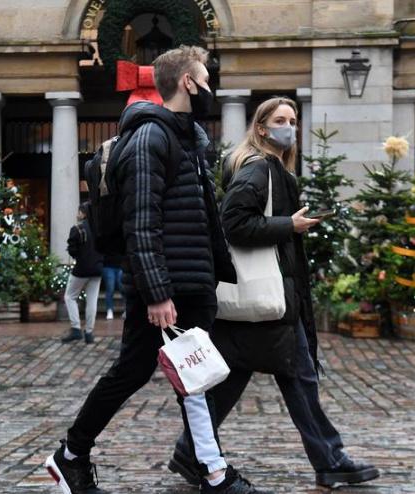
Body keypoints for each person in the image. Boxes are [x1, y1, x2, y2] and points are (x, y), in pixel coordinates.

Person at [45, 45, 270, 494]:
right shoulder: (151, 137)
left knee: (180, 376)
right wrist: (157, 292)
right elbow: (141, 222)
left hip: (190, 281)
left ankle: (76, 456)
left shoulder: (188, 140)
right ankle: (210, 473)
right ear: (188, 82)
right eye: (205, 79)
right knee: (158, 374)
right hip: (170, 287)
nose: (209, 87)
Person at [167, 97, 379, 489]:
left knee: (238, 378)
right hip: (268, 299)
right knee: (299, 376)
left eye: (293, 120)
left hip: (261, 301)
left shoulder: (269, 168)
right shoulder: (260, 168)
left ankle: (189, 450)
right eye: (280, 120)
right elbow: (233, 222)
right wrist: (288, 225)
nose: (290, 127)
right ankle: (330, 459)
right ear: (261, 128)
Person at [63, 203, 103, 344]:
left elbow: (72, 249)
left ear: (83, 213)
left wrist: (78, 256)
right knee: (92, 301)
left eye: (78, 212)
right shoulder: (99, 229)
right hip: (97, 268)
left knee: (70, 296)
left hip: (82, 269)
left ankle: (76, 328)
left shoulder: (77, 229)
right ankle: (89, 332)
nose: (77, 214)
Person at [101, 254, 124, 321]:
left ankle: (126, 309)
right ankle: (109, 310)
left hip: (121, 265)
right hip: (108, 265)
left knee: (123, 288)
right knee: (110, 288)